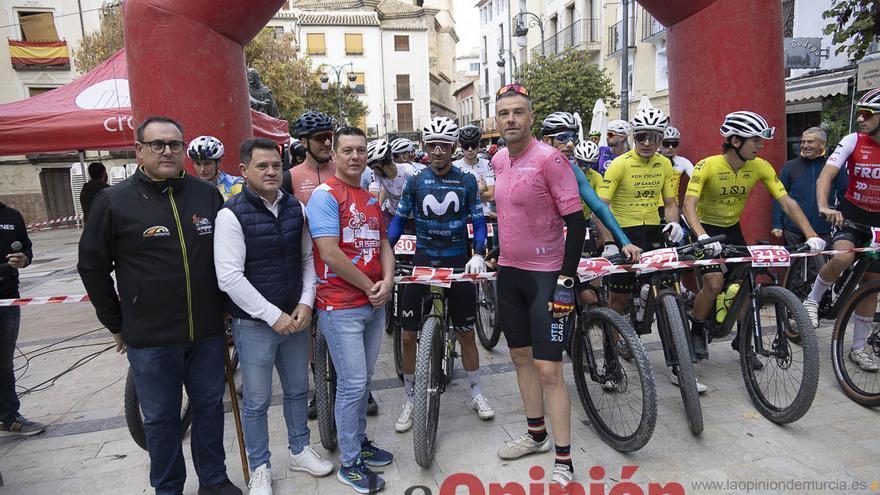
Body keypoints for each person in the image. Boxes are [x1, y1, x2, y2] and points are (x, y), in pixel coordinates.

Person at [78, 116, 241, 495]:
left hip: (207, 332)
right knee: (161, 419)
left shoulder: (206, 195)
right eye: (157, 144)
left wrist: (229, 307)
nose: (167, 151)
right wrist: (115, 322)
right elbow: (92, 265)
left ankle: (214, 481)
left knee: (209, 409)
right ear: (139, 151)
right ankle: (168, 487)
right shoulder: (113, 202)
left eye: (174, 144)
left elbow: (227, 258)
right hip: (151, 338)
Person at [214, 138, 333, 495]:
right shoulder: (230, 214)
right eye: (262, 166)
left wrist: (306, 302)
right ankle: (260, 466)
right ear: (244, 170)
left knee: (298, 389)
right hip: (254, 324)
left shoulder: (296, 207)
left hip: (296, 317)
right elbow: (229, 277)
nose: (270, 172)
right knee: (257, 399)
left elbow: (308, 260)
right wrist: (271, 316)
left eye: (275, 166)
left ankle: (299, 449)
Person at [489, 84, 586, 487]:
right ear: (496, 120)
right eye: (503, 113)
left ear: (531, 118)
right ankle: (536, 436)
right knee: (521, 359)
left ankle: (564, 460)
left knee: (549, 369)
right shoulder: (496, 160)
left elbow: (577, 223)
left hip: (547, 276)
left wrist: (565, 280)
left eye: (518, 112)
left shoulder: (551, 160)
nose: (510, 119)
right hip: (510, 274)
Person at [684, 111, 826, 372]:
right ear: (736, 141)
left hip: (731, 229)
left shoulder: (760, 166)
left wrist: (811, 235)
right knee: (714, 284)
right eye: (756, 141)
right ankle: (697, 330)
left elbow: (786, 202)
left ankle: (743, 340)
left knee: (745, 284)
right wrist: (702, 237)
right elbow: (688, 204)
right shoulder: (708, 165)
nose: (761, 146)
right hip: (705, 229)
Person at [386, 116, 495, 434]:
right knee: (407, 335)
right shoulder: (415, 181)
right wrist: (386, 252)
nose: (437, 151)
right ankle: (409, 398)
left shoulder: (467, 180)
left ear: (453, 147)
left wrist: (477, 253)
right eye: (431, 145)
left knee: (466, 333)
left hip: (457, 262)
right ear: (425, 147)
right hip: (423, 261)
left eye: (443, 145)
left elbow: (477, 219)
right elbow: (399, 219)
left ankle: (476, 392)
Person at [305, 126, 395, 494]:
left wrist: (387, 281)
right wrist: (369, 286)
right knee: (353, 383)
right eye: (348, 150)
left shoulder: (371, 198)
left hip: (373, 302)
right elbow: (329, 252)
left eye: (361, 150)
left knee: (362, 381)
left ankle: (358, 442)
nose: (355, 156)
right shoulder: (325, 196)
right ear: (335, 154)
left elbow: (385, 242)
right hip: (340, 305)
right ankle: (350, 462)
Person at [596, 107, 690, 385]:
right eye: (641, 137)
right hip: (624, 234)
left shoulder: (664, 165)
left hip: (653, 233)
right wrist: (611, 242)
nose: (647, 143)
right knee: (618, 301)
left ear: (661, 138)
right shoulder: (619, 164)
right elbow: (600, 207)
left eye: (653, 137)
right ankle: (611, 366)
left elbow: (671, 203)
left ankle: (679, 367)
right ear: (633, 137)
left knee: (669, 297)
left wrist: (673, 224)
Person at [803, 88, 880, 371]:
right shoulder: (853, 140)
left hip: (879, 223)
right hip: (849, 216)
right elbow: (827, 175)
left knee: (871, 285)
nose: (860, 118)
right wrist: (824, 206)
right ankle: (812, 299)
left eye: (868, 114)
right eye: (860, 112)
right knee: (843, 257)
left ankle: (858, 349)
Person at [771, 127, 847, 289]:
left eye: (810, 142)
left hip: (822, 227)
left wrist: (843, 218)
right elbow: (779, 197)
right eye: (803, 141)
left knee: (819, 270)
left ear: (822, 145)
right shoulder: (790, 166)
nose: (804, 145)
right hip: (793, 228)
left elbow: (843, 194)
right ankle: (792, 306)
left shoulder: (833, 167)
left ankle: (813, 303)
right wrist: (777, 224)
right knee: (793, 270)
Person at [0, 202, 43, 437]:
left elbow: (27, 248)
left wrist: (23, 259)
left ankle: (9, 416)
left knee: (4, 363)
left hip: (7, 299)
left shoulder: (12, 216)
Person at [289, 111, 337, 205]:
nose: (327, 143)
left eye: (329, 137)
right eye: (320, 138)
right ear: (304, 142)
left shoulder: (342, 171)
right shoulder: (289, 177)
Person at [366, 139, 416, 226]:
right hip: (392, 212)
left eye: (373, 167)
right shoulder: (376, 174)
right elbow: (373, 195)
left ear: (379, 165)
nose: (373, 170)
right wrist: (370, 209)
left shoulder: (407, 170)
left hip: (413, 215)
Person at [453, 125, 496, 218]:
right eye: (466, 145)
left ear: (479, 145)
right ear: (461, 146)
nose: (470, 149)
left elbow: (491, 196)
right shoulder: (454, 166)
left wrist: (466, 193)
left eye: (473, 145)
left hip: (484, 215)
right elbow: (455, 197)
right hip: (461, 216)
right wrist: (480, 190)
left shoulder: (487, 164)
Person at [188, 135, 244, 201]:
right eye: (198, 164)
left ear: (219, 161)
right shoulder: (190, 187)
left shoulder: (235, 184)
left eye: (207, 164)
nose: (202, 169)